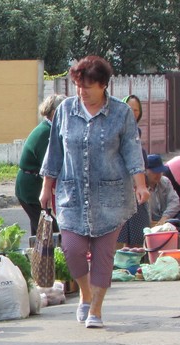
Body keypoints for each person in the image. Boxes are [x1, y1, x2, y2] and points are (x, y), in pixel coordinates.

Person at [39, 56, 148, 329]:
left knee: (104, 254)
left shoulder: (121, 113)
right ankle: (85, 294)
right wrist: (46, 187)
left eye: (87, 86)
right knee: (72, 249)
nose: (81, 91)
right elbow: (55, 152)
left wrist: (140, 184)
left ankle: (96, 309)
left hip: (110, 197)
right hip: (72, 194)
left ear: (103, 85)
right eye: (78, 86)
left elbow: (132, 150)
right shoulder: (65, 110)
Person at [15, 94, 66, 235]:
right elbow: (51, 165)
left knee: (40, 231)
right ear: (55, 113)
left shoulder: (49, 128)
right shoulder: (46, 133)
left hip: (32, 186)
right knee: (48, 231)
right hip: (31, 189)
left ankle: (35, 250)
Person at [116, 94, 151, 248]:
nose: (133, 113)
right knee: (120, 236)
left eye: (136, 110)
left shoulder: (137, 132)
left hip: (137, 191)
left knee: (138, 235)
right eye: (130, 109)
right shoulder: (116, 130)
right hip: (120, 191)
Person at [144, 154, 180, 225]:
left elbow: (175, 201)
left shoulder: (165, 181)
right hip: (148, 223)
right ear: (145, 171)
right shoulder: (140, 188)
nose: (159, 174)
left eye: (160, 171)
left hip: (167, 219)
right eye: (155, 172)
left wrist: (165, 217)